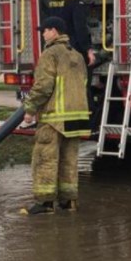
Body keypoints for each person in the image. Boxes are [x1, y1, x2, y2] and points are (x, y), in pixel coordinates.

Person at [20, 16, 90, 215]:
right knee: (69, 159)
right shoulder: (77, 55)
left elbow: (43, 86)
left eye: (45, 30)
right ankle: (69, 202)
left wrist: (30, 109)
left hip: (54, 117)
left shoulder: (50, 54)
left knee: (45, 158)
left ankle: (45, 203)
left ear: (55, 31)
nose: (43, 34)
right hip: (77, 116)